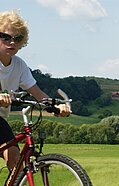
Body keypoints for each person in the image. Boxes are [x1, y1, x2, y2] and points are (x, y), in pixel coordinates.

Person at [0, 10, 70, 173]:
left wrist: (55, 107)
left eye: (17, 39)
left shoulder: (19, 65)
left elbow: (37, 93)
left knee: (16, 160)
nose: (12, 42)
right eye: (6, 37)